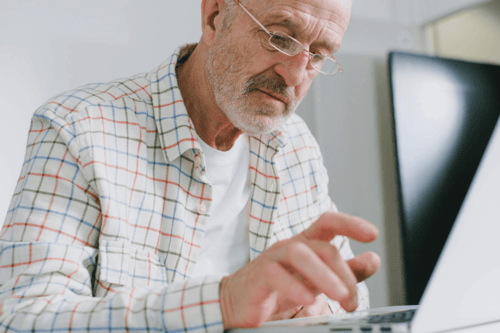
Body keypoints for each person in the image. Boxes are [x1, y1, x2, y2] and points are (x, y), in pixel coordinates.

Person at [0, 0, 381, 331]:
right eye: (279, 38)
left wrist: (321, 309)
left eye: (317, 55)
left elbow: (352, 298)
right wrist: (225, 303)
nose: (295, 76)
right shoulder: (76, 128)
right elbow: (23, 318)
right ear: (215, 16)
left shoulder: (295, 143)